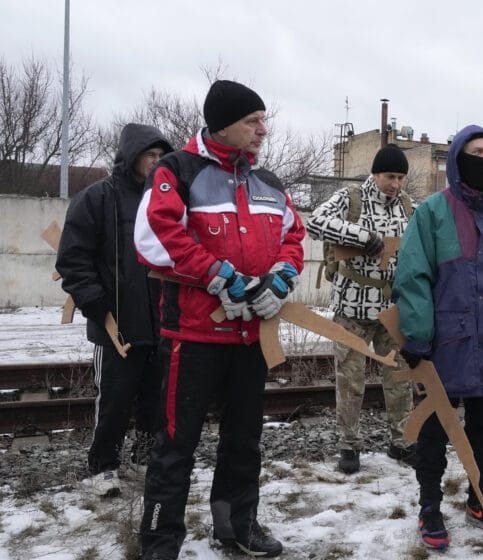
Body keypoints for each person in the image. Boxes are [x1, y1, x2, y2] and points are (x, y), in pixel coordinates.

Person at [134, 80, 305, 559]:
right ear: (223, 122)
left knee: (243, 443)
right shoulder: (177, 171)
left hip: (250, 337)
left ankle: (235, 527)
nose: (263, 131)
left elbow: (294, 237)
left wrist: (280, 278)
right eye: (253, 121)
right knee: (175, 446)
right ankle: (160, 542)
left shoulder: (268, 182)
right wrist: (217, 275)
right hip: (193, 337)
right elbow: (154, 237)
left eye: (263, 121)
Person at [393, 124, 483, 549]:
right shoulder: (432, 212)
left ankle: (480, 496)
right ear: (458, 158)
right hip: (446, 343)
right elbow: (413, 278)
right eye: (476, 151)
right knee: (436, 430)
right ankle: (429, 505)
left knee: (482, 429)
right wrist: (417, 338)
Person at [56, 123, 173, 497]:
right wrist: (94, 302)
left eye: (161, 157)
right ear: (131, 156)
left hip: (163, 324)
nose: (155, 163)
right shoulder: (97, 199)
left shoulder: (165, 200)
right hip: (116, 325)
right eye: (150, 155)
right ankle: (103, 466)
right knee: (114, 401)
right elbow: (73, 259)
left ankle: (144, 459)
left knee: (157, 398)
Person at [305, 143, 415, 473]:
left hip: (391, 309)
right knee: (350, 380)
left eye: (400, 178)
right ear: (376, 174)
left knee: (399, 379)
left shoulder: (408, 206)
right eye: (389, 176)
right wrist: (361, 236)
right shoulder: (350, 198)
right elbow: (314, 222)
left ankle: (401, 442)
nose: (395, 184)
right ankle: (348, 446)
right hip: (350, 307)